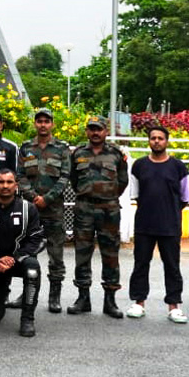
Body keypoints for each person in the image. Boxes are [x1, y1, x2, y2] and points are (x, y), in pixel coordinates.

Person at [126, 126, 189, 324]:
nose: (156, 141)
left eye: (160, 138)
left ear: (167, 141)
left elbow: (185, 197)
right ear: (149, 141)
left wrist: (169, 211)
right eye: (153, 138)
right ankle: (139, 303)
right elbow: (134, 194)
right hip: (144, 224)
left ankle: (174, 307)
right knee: (140, 264)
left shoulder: (179, 168)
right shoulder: (139, 166)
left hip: (170, 226)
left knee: (172, 266)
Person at [67, 115, 130, 318]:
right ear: (87, 131)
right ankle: (83, 298)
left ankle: (110, 301)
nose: (95, 133)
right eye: (92, 129)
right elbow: (74, 181)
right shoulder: (78, 154)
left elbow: (122, 181)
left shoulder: (116, 154)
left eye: (99, 129)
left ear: (105, 131)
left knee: (110, 255)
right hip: (84, 209)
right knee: (82, 254)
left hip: (109, 210)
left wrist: (106, 196)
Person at [0, 170, 44, 337]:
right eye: (1, 182)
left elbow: (37, 240)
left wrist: (14, 258)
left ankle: (27, 318)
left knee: (33, 268)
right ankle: (1, 290)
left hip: (17, 260)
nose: (5, 186)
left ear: (16, 186)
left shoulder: (28, 208)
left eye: (9, 182)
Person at [17, 107, 73, 313]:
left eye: (46, 121)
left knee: (56, 255)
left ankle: (54, 297)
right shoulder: (26, 148)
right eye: (39, 121)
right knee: (26, 254)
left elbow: (65, 177)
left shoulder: (61, 148)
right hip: (30, 211)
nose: (43, 124)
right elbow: (20, 175)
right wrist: (33, 197)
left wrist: (47, 198)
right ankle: (26, 294)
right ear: (35, 124)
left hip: (54, 210)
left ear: (52, 124)